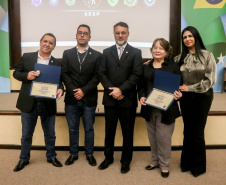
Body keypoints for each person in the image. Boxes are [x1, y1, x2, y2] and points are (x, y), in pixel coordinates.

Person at [13, 33, 64, 172]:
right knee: (26, 135)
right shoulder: (27, 56)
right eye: (45, 41)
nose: (47, 44)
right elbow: (16, 73)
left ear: (54, 46)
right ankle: (24, 159)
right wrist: (27, 75)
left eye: (51, 42)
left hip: (47, 103)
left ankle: (51, 156)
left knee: (50, 134)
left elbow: (59, 82)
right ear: (40, 42)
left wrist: (61, 90)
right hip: (30, 103)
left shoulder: (56, 62)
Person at [98, 22, 143, 173]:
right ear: (114, 34)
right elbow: (102, 74)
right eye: (117, 33)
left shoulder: (136, 52)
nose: (120, 35)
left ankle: (126, 161)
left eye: (123, 32)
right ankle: (108, 158)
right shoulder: (106, 52)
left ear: (128, 34)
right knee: (109, 131)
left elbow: (136, 75)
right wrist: (113, 90)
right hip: (110, 99)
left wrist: (121, 89)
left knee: (127, 132)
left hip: (128, 99)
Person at [174, 26, 216, 177]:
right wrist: (150, 63)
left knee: (197, 132)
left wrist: (189, 88)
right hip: (185, 99)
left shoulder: (207, 55)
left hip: (202, 97)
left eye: (190, 36)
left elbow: (210, 80)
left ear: (196, 37)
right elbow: (167, 69)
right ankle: (186, 163)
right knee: (187, 130)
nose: (187, 39)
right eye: (184, 37)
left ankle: (198, 167)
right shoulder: (179, 58)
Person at [138, 38, 182, 178]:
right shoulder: (145, 66)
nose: (157, 50)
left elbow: (179, 86)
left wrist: (178, 95)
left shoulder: (173, 67)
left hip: (167, 110)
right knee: (152, 137)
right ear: (151, 50)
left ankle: (164, 165)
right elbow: (141, 86)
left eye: (161, 48)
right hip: (149, 109)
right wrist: (142, 97)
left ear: (166, 51)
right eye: (155, 48)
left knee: (163, 138)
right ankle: (154, 161)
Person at [61, 24, 101, 166]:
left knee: (89, 129)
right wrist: (74, 90)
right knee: (72, 129)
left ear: (90, 37)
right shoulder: (67, 53)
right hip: (71, 99)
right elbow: (64, 74)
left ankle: (89, 154)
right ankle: (73, 154)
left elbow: (97, 77)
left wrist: (83, 91)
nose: (82, 35)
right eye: (80, 33)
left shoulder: (97, 55)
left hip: (89, 98)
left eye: (85, 33)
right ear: (76, 35)